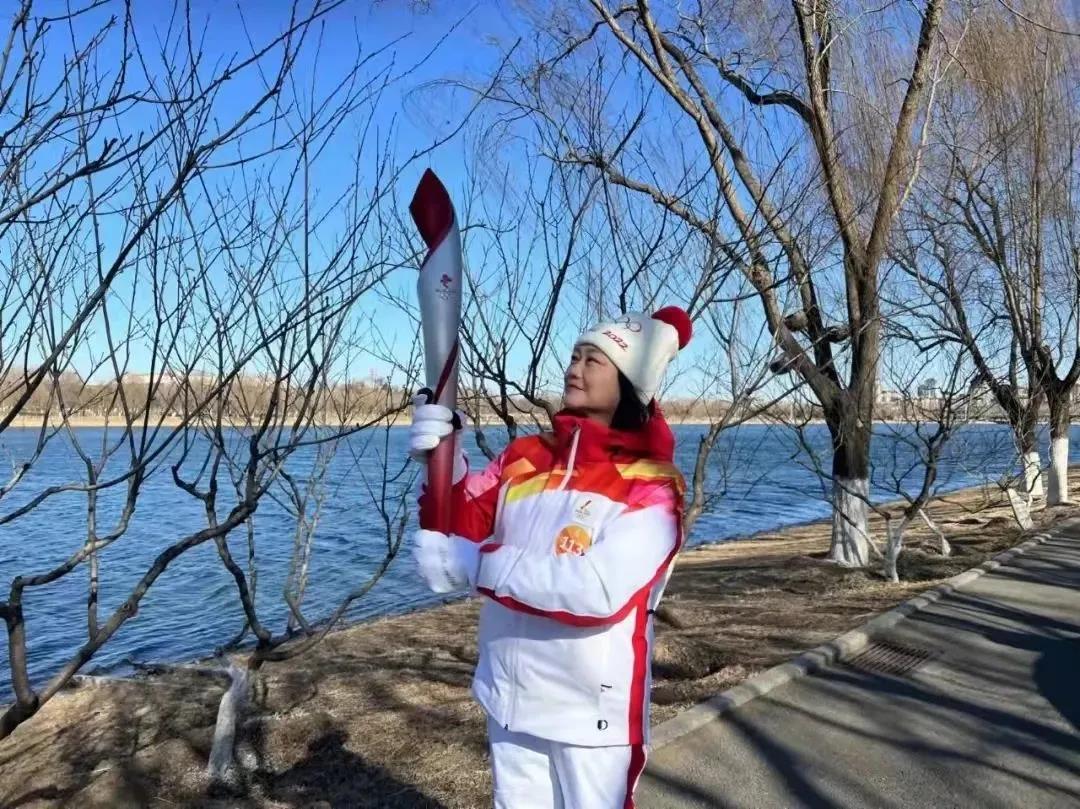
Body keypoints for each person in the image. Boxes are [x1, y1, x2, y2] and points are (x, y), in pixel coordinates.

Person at [408, 306, 692, 809]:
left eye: (593, 361)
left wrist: (479, 565)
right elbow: (459, 525)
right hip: (509, 698)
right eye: (574, 356)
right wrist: (443, 460)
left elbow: (595, 591)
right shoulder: (524, 457)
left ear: (628, 383)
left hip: (590, 713)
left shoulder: (653, 485)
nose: (574, 368)